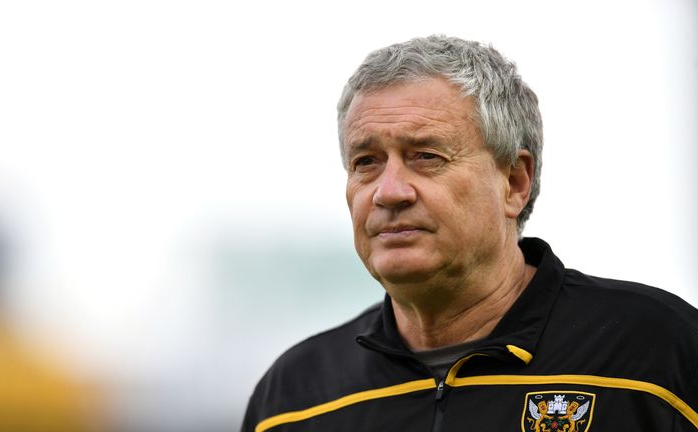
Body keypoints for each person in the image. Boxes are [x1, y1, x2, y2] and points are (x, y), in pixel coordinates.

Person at [241, 35, 698, 431]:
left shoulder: (657, 355)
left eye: (426, 156)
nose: (389, 192)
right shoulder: (292, 400)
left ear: (515, 182)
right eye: (366, 162)